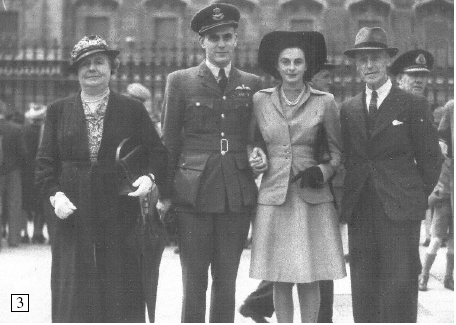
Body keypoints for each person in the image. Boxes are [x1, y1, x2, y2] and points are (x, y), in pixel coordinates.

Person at [35, 35, 169, 322]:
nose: (92, 68)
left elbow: (157, 151)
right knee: (73, 281)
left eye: (99, 62)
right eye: (85, 64)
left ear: (112, 68)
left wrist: (150, 177)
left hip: (118, 201)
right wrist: (54, 195)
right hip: (72, 201)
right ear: (76, 71)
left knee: (120, 277)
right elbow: (45, 163)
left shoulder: (131, 108)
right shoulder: (58, 110)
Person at [159, 3, 262, 322]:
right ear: (202, 42)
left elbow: (257, 135)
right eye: (213, 37)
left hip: (236, 192)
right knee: (193, 281)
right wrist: (165, 194)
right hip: (194, 193)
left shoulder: (253, 83)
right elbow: (169, 140)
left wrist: (257, 151)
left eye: (227, 37)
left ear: (235, 40)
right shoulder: (180, 81)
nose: (220, 43)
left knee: (227, 280)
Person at [340, 27, 442, 322]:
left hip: (400, 210)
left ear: (387, 61)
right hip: (361, 208)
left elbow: (431, 159)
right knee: (363, 284)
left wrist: (410, 195)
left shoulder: (412, 104)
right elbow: (348, 157)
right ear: (357, 65)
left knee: (400, 285)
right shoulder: (348, 108)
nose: (369, 66)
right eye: (363, 60)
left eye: (375, 58)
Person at [248, 31, 346, 323]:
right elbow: (252, 141)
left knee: (310, 273)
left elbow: (337, 153)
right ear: (276, 66)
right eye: (285, 62)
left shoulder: (324, 101)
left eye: (298, 62)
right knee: (279, 274)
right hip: (274, 194)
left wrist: (323, 171)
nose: (291, 68)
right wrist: (255, 156)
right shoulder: (260, 100)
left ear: (307, 66)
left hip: (311, 195)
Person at [390, 49, 435, 246]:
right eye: (413, 75)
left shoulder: (424, 106)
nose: (419, 80)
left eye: (423, 76)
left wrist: (419, 190)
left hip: (410, 191)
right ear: (399, 78)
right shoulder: (388, 104)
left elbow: (431, 156)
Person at [419, 99, 454, 291]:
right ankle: (424, 276)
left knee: (453, 242)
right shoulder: (447, 161)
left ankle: (448, 278)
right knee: (437, 238)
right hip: (445, 197)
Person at [0, 100, 27, 248]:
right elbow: (23, 153)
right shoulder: (15, 129)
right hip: (13, 171)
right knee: (14, 204)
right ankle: (13, 239)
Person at [22, 103, 48, 244]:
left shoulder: (24, 130)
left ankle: (25, 232)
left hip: (26, 170)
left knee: (26, 202)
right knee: (41, 202)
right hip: (41, 169)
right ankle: (38, 232)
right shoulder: (46, 130)